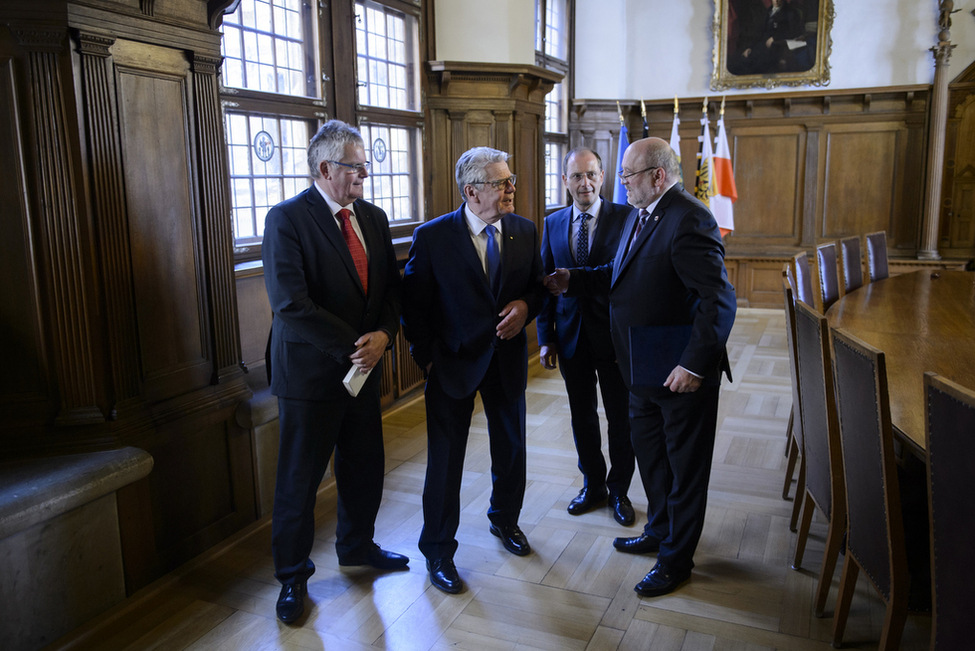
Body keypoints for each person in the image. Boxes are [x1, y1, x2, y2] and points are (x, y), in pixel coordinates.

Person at [545, 137, 736, 598]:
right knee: (652, 460)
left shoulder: (689, 217)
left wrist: (693, 364)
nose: (622, 183)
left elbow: (718, 300)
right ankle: (658, 531)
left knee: (684, 470)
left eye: (628, 175)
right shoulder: (643, 213)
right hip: (641, 366)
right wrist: (576, 279)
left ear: (656, 175)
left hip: (679, 374)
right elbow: (621, 270)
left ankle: (675, 561)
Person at [262, 120, 408, 624]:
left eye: (366, 165)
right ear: (325, 169)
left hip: (364, 371)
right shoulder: (286, 219)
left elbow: (391, 289)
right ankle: (292, 578)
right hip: (310, 376)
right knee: (299, 482)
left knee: (364, 465)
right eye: (356, 166)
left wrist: (385, 336)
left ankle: (358, 547)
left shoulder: (372, 215)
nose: (365, 174)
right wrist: (356, 346)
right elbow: (290, 304)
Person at [402, 146, 546, 595]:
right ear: (471, 191)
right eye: (501, 183)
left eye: (511, 180)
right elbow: (413, 305)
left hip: (505, 363)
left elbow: (537, 289)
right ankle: (439, 551)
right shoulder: (432, 238)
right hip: (452, 365)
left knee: (512, 451)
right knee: (445, 464)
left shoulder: (524, 229)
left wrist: (527, 306)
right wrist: (427, 357)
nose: (511, 189)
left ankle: (505, 522)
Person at [537, 147, 636, 525]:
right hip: (570, 338)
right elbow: (547, 283)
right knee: (582, 417)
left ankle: (619, 491)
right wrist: (546, 337)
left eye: (591, 174)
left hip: (613, 339)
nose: (585, 183)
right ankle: (593, 484)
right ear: (565, 181)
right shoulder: (553, 222)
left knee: (620, 419)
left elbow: (618, 274)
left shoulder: (626, 218)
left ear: (603, 176)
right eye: (576, 176)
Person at [730, 0, 804, 75]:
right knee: (740, 62)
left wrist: (774, 37)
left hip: (776, 48)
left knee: (752, 65)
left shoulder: (791, 12)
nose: (776, 1)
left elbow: (794, 32)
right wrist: (750, 47)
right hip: (761, 46)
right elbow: (760, 32)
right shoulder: (768, 11)